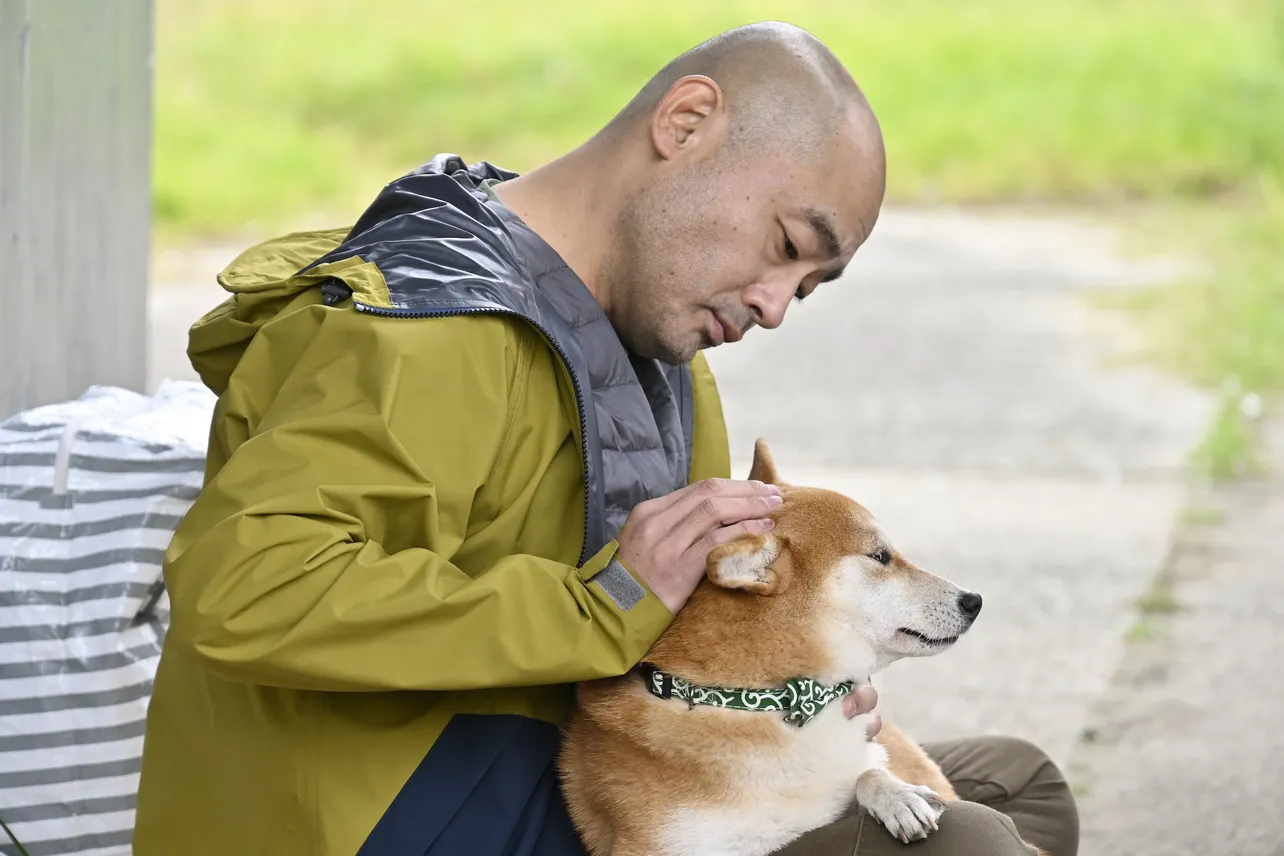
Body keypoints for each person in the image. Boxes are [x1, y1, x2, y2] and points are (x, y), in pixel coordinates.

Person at [133, 20, 1078, 856]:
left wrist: (800, 678)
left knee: (1017, 780)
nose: (776, 306)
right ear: (686, 123)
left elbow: (708, 614)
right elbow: (246, 588)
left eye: (810, 286)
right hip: (390, 810)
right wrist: (602, 603)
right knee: (970, 846)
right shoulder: (422, 327)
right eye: (787, 247)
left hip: (590, 755)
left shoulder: (659, 327)